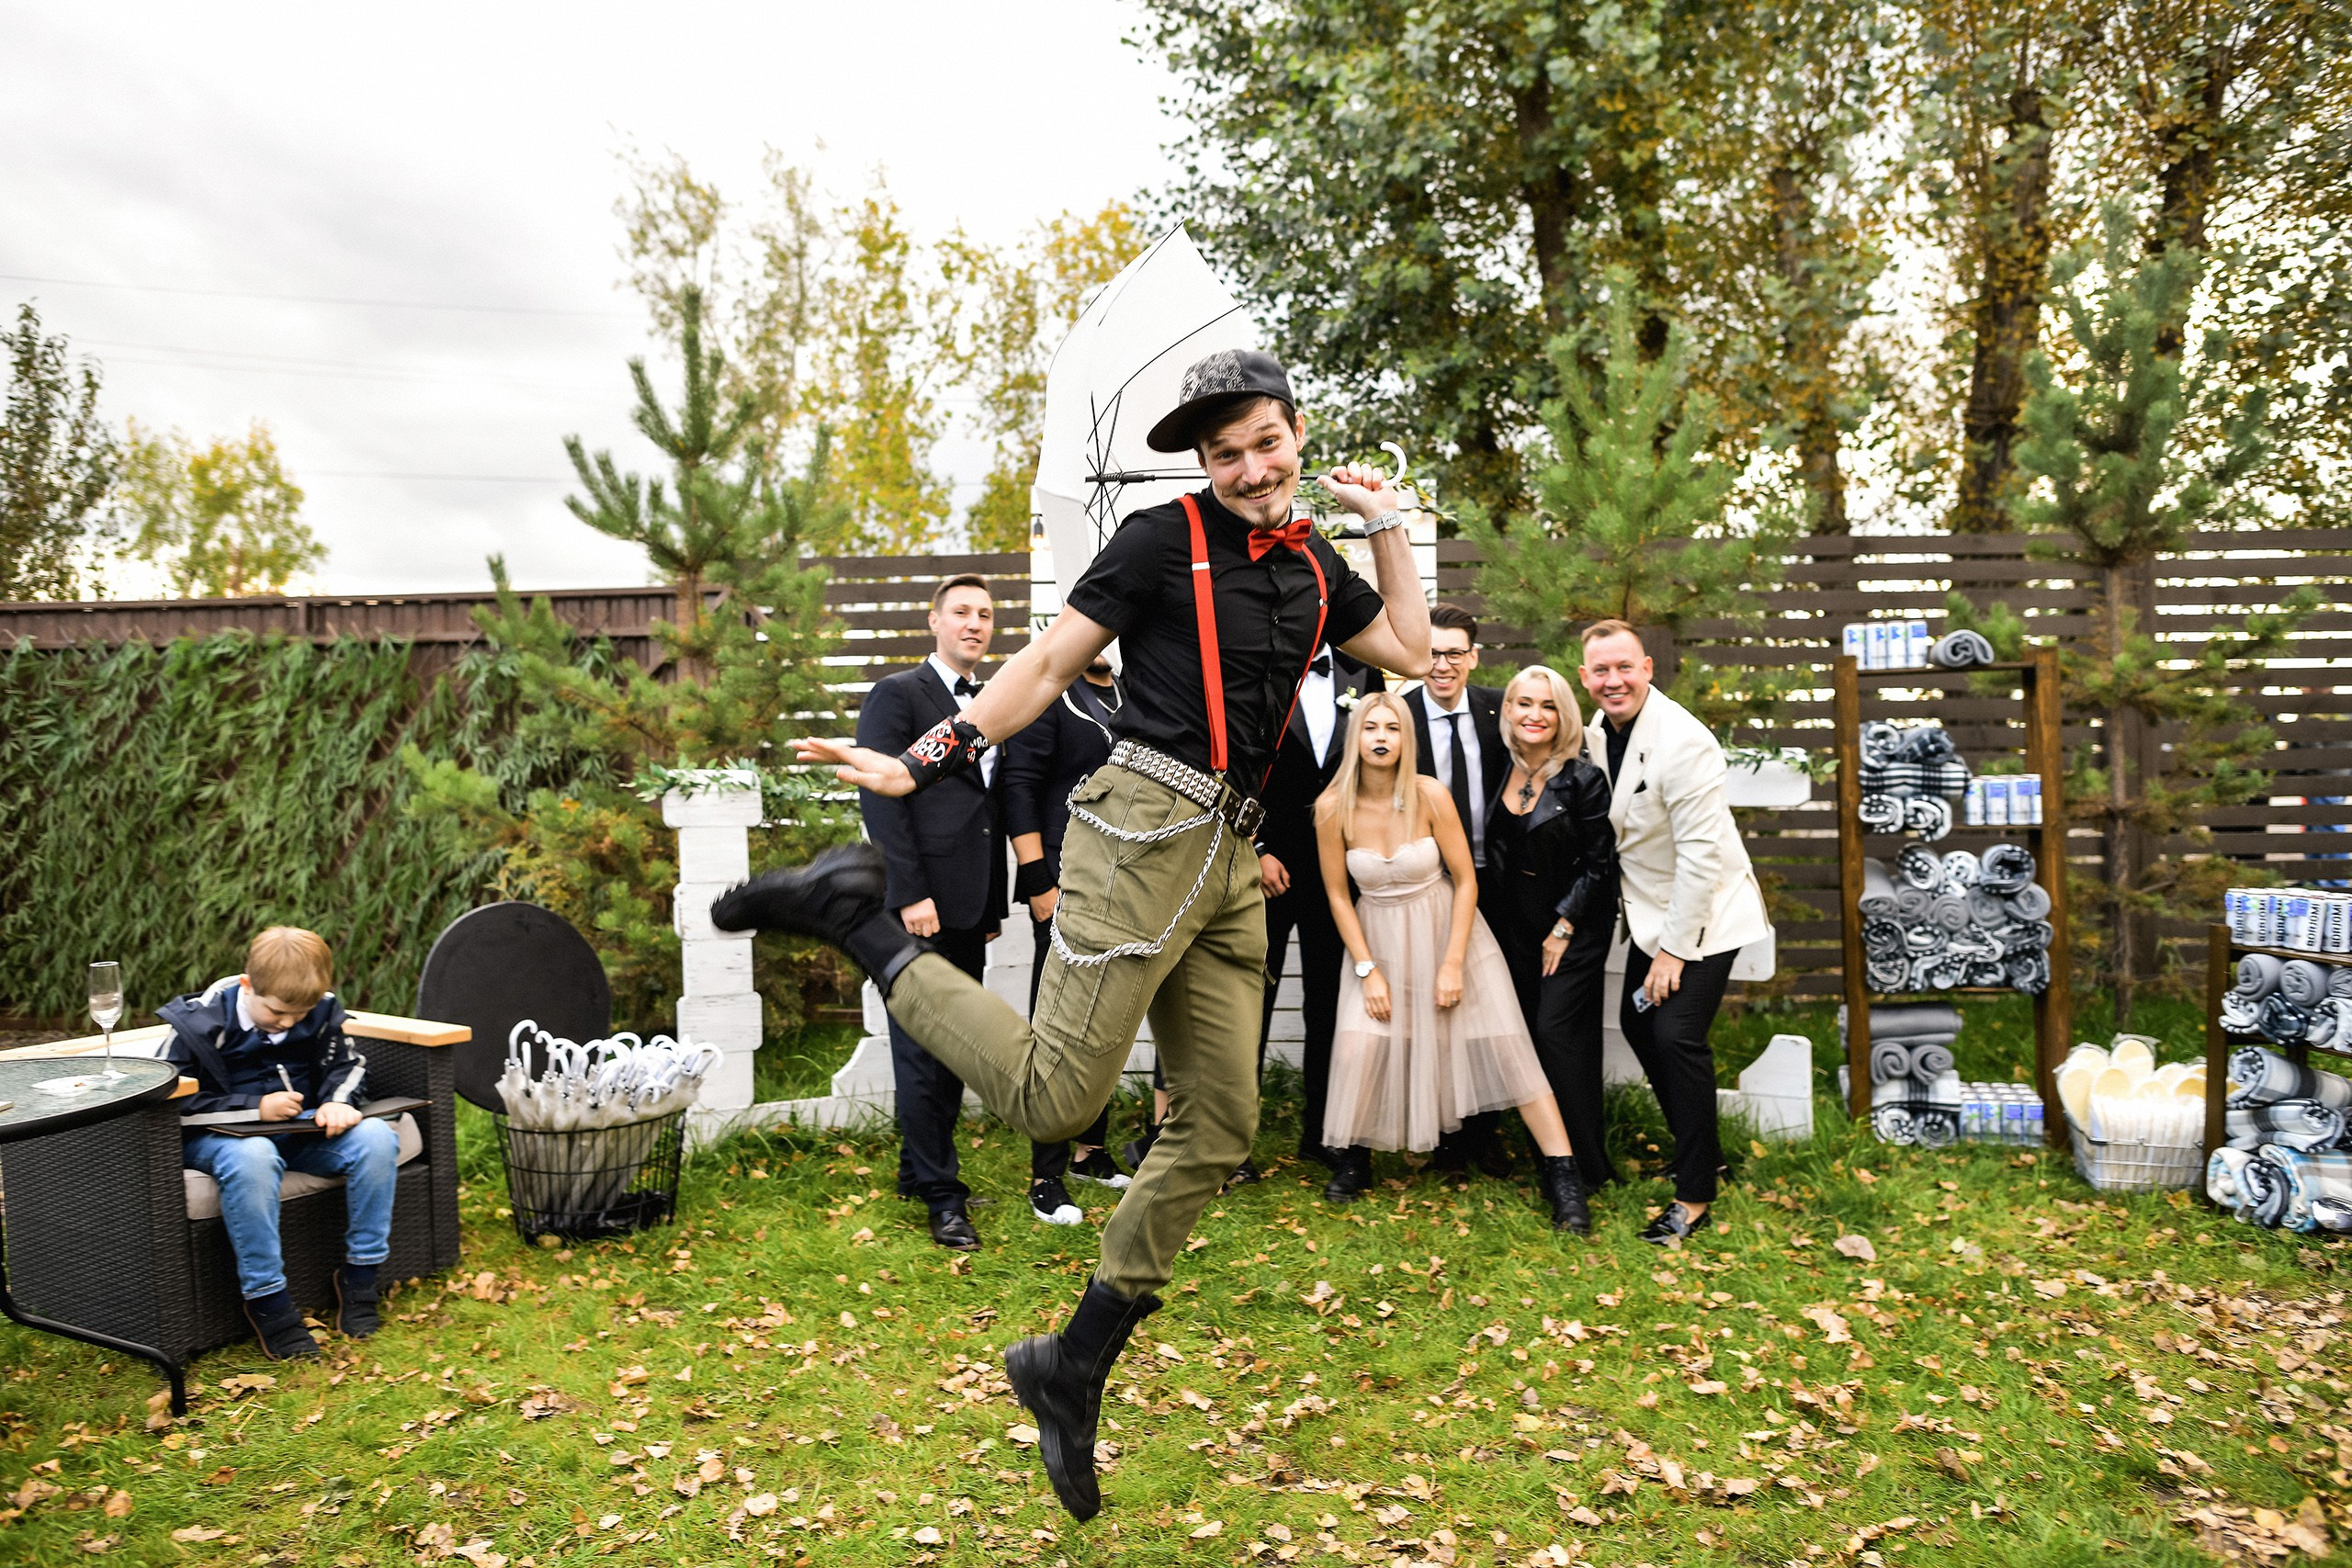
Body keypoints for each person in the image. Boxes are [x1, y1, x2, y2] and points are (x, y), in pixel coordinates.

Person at [712, 346, 1431, 1522]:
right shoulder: (1159, 541)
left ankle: (1074, 1362)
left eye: (1265, 444)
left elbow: (1407, 649)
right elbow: (1046, 665)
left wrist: (1385, 525)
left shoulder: (1315, 562)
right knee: (1054, 1100)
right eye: (1223, 454)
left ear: (1296, 434)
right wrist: (916, 762)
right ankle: (860, 921)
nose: (1249, 470)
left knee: (1219, 1126)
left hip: (1231, 862)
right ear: (1200, 466)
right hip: (1141, 828)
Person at [1311, 694, 1589, 1230]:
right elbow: (1338, 895)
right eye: (1371, 728)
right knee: (1356, 1049)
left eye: (1393, 727)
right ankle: (1355, 1158)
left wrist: (1453, 963)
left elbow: (1466, 879)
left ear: (1406, 738)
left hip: (1450, 934)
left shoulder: (1429, 794)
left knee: (1511, 1050)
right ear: (1356, 737)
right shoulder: (1331, 809)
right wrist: (1367, 970)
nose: (1382, 738)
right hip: (1379, 942)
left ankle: (1564, 1176)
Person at [1578, 619, 1772, 1246]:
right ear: (1586, 678)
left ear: (1648, 668)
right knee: (1640, 1024)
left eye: (1624, 667)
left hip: (1706, 916)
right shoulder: (1594, 735)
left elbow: (1700, 857)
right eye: (1601, 670)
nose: (1614, 680)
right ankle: (1705, 1151)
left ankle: (1694, 1196)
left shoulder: (1684, 741)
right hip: (1651, 912)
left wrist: (1672, 953)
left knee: (1675, 1032)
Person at [854, 574, 1007, 1251]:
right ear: (935, 621)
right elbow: (881, 796)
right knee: (920, 1047)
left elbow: (991, 804)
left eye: (986, 614)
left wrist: (991, 900)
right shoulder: (898, 694)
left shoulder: (995, 701)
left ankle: (919, 1171)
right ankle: (944, 1199)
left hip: (971, 902)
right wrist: (910, 892)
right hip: (918, 902)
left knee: (953, 1043)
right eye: (963, 612)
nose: (975, 623)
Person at [164, 926, 398, 1360]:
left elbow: (350, 1064)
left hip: (301, 1128)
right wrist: (256, 1107)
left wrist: (337, 1103)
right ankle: (268, 1303)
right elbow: (170, 1096)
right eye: (277, 1012)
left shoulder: (322, 1010)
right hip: (219, 1137)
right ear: (248, 985)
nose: (290, 1022)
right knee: (255, 1156)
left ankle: (361, 1278)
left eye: (301, 1012)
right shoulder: (201, 1020)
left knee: (377, 1138)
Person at [1000, 655, 1133, 1223]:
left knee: (1109, 1016)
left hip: (1125, 878)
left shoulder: (1134, 692)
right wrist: (1036, 880)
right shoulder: (1052, 692)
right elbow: (1020, 784)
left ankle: (1089, 1151)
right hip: (1062, 875)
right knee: (1058, 1024)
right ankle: (1045, 1175)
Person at [1480, 665, 1620, 1200]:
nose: (1534, 715)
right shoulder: (1502, 769)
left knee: (1559, 1036)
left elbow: (1600, 863)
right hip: (1514, 927)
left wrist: (1563, 925)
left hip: (1572, 928)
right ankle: (1549, 1156)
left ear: (1564, 716)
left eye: (1548, 706)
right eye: (1524, 703)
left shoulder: (1582, 778)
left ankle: (1585, 1168)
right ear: (1508, 711)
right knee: (1522, 1037)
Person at [1252, 641, 1384, 1173]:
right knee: (1250, 1006)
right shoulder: (1259, 666)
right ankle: (1230, 1141)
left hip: (1339, 873)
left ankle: (1324, 1133)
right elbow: (1237, 763)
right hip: (1266, 872)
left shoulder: (1362, 672)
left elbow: (1374, 774)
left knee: (1329, 1003)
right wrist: (1255, 849)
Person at [1405, 602, 1512, 1179]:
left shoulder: (1503, 711)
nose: (1441, 665)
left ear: (1473, 657)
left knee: (1492, 1012)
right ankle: (1447, 1139)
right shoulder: (1396, 717)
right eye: (1431, 653)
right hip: (1428, 887)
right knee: (1439, 1008)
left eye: (1454, 653)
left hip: (1495, 882)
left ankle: (1487, 1134)